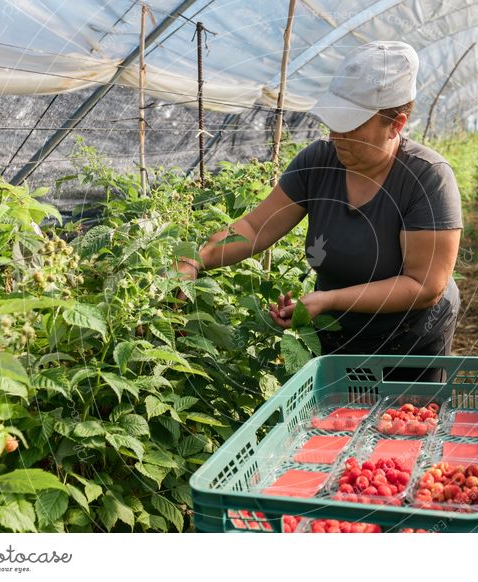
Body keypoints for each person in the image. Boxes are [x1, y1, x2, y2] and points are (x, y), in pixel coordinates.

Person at [174, 41, 462, 382]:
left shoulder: (427, 177)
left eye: (352, 125)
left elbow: (424, 285)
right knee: (338, 425)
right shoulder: (318, 161)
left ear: (395, 124)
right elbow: (254, 227)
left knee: (406, 424)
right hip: (339, 330)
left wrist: (328, 300)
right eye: (334, 120)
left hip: (410, 338)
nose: (336, 134)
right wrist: (197, 259)